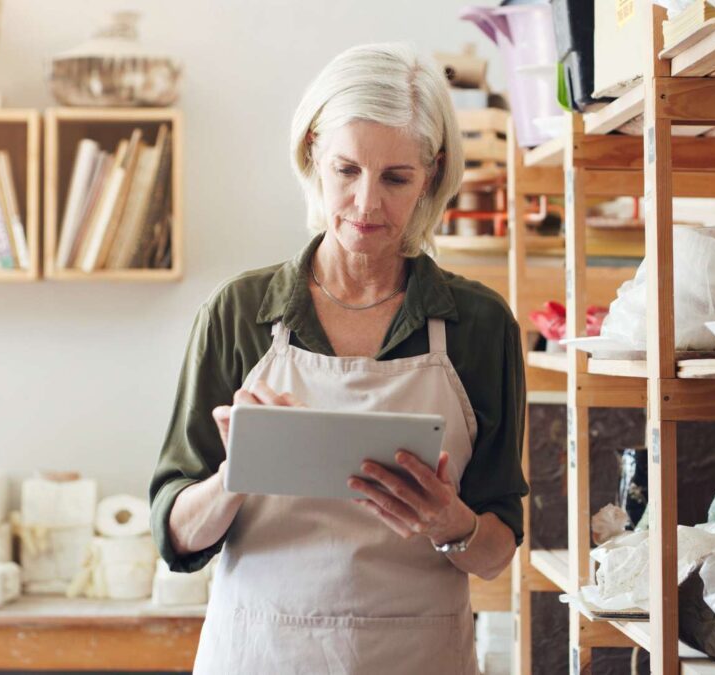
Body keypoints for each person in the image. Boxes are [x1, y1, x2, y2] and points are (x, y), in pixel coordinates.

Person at [148, 42, 528, 674]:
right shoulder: (239, 313)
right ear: (313, 154)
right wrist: (235, 477)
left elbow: (494, 553)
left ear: (431, 174)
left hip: (417, 658)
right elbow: (176, 537)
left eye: (396, 178)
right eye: (347, 170)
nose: (366, 203)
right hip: (262, 654)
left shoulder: (480, 327)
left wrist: (448, 519)